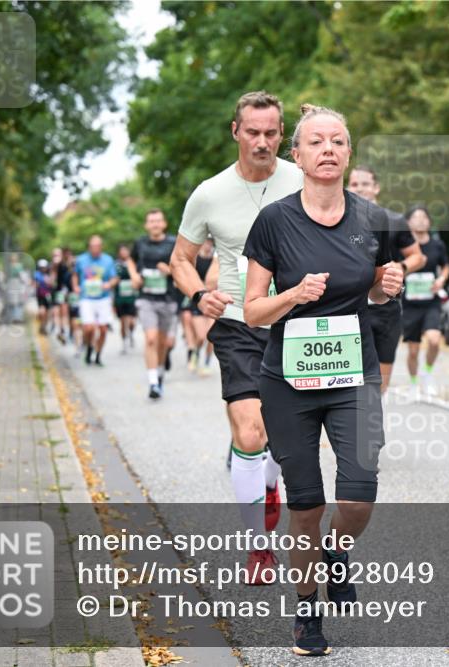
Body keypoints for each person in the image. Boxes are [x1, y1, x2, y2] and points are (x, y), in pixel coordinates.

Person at [243, 103, 404, 657]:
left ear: (349, 152)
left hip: (352, 373)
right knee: (306, 504)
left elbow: (378, 294)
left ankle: (336, 552)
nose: (328, 149)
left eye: (338, 141)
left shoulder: (375, 220)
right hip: (288, 380)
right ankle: (308, 611)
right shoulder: (275, 221)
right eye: (317, 142)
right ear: (298, 155)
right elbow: (252, 312)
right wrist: (292, 295)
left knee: (359, 496)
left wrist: (388, 285)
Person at [171, 91, 304, 583]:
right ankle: (258, 548)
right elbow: (180, 259)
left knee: (282, 437)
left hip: (296, 322)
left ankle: (266, 479)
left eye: (272, 133)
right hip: (237, 323)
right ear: (235, 132)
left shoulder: (303, 178)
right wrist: (197, 295)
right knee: (250, 431)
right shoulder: (209, 193)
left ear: (282, 135)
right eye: (253, 132)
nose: (263, 142)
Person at [347, 166, 424, 394]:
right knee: (348, 380)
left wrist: (399, 268)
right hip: (348, 308)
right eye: (354, 184)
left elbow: (418, 256)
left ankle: (369, 418)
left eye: (365, 184)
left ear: (376, 188)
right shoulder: (336, 220)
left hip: (385, 309)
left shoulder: (393, 220)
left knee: (378, 384)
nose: (360, 188)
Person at [128, 210, 179, 398]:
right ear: (146, 225)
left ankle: (159, 373)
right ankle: (153, 383)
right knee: (151, 338)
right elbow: (131, 261)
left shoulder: (173, 243)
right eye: (151, 221)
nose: (155, 224)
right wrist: (134, 276)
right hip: (146, 298)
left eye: (158, 221)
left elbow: (184, 265)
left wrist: (170, 270)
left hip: (167, 298)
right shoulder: (140, 243)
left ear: (164, 224)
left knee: (163, 342)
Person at [402, 205, 449, 397]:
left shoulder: (437, 245)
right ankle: (413, 384)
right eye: (416, 217)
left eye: (424, 217)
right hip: (410, 303)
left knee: (434, 340)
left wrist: (441, 279)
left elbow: (445, 267)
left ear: (429, 222)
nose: (420, 220)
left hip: (431, 301)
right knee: (413, 351)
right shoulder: (403, 246)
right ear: (408, 223)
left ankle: (427, 373)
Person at [72, 235, 118, 366]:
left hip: (103, 298)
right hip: (86, 298)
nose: (95, 248)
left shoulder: (108, 260)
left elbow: (114, 278)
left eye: (98, 246)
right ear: (89, 247)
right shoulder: (81, 259)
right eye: (93, 246)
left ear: (101, 247)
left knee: (103, 329)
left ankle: (98, 354)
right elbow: (75, 275)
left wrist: (109, 284)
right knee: (88, 328)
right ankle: (88, 347)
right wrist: (75, 286)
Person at [187, 237, 220, 376]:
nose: (207, 245)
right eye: (205, 242)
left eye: (210, 243)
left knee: (211, 335)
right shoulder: (195, 259)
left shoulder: (216, 259)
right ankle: (195, 352)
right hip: (199, 300)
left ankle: (206, 362)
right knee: (201, 336)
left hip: (214, 299)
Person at [113, 244, 138, 353]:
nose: (124, 253)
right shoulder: (115, 265)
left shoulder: (134, 264)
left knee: (132, 321)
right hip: (120, 297)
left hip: (132, 296)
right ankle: (124, 343)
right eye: (122, 251)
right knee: (123, 322)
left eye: (126, 251)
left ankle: (131, 334)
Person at [34, 259, 53, 334]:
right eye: (41, 267)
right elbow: (35, 284)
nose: (43, 268)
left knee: (48, 312)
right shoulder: (37, 274)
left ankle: (44, 326)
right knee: (42, 311)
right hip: (40, 296)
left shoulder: (49, 274)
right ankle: (42, 325)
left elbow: (52, 284)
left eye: (44, 267)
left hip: (48, 295)